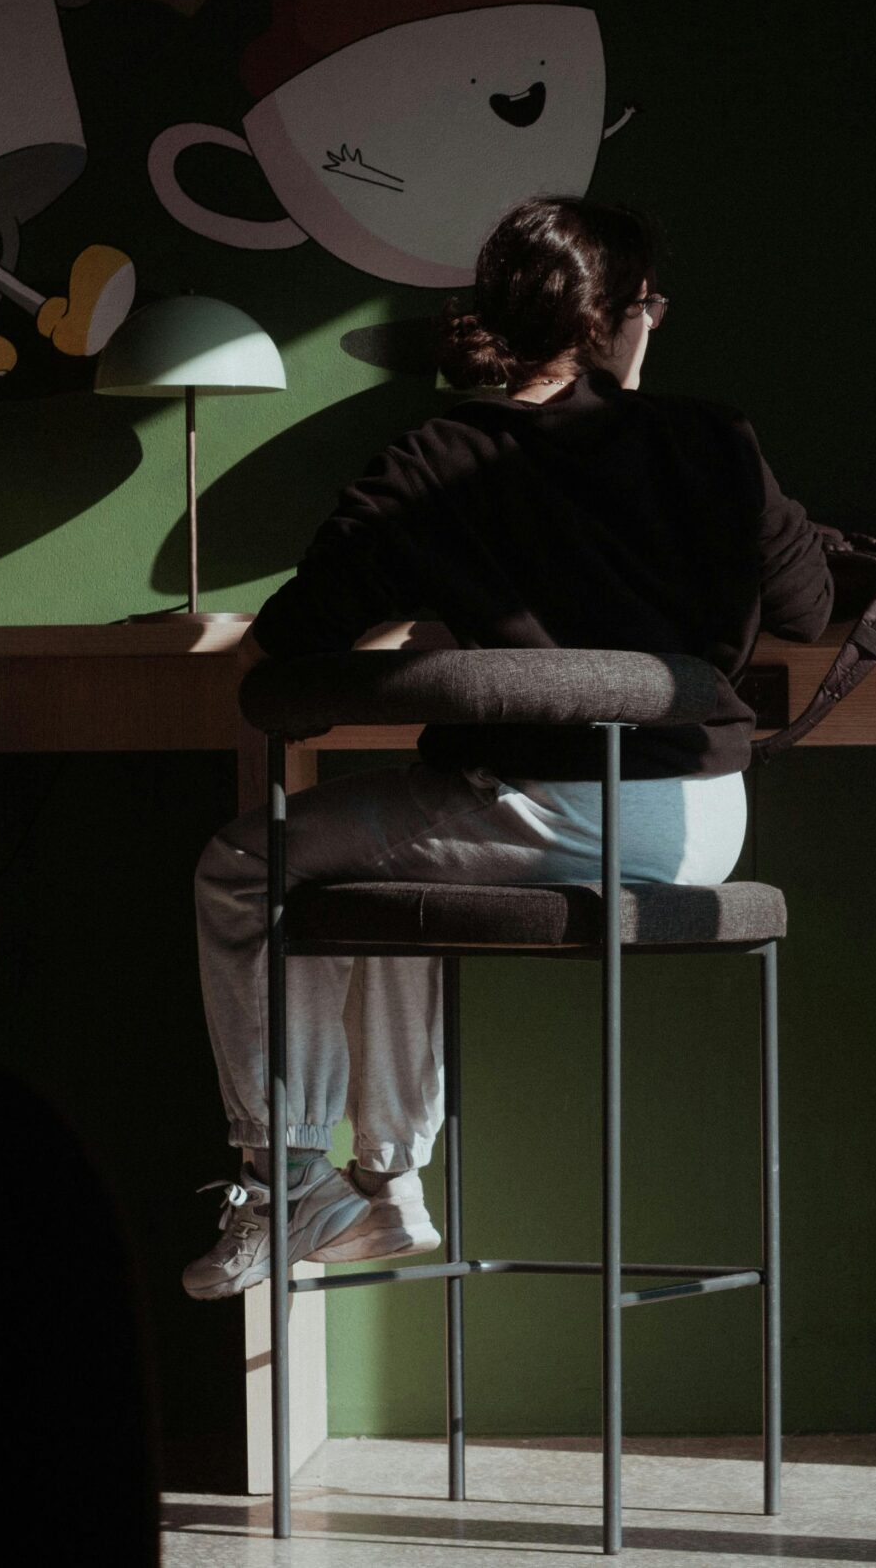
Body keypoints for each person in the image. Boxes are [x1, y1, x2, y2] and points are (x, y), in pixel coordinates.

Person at [182, 199, 834, 1298]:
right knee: (387, 858)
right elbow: (809, 610)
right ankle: (380, 1187)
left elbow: (282, 656)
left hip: (545, 816)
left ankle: (299, 1180)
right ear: (620, 317)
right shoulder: (715, 439)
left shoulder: (439, 457)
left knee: (245, 864)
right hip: (705, 826)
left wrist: (426, 601)